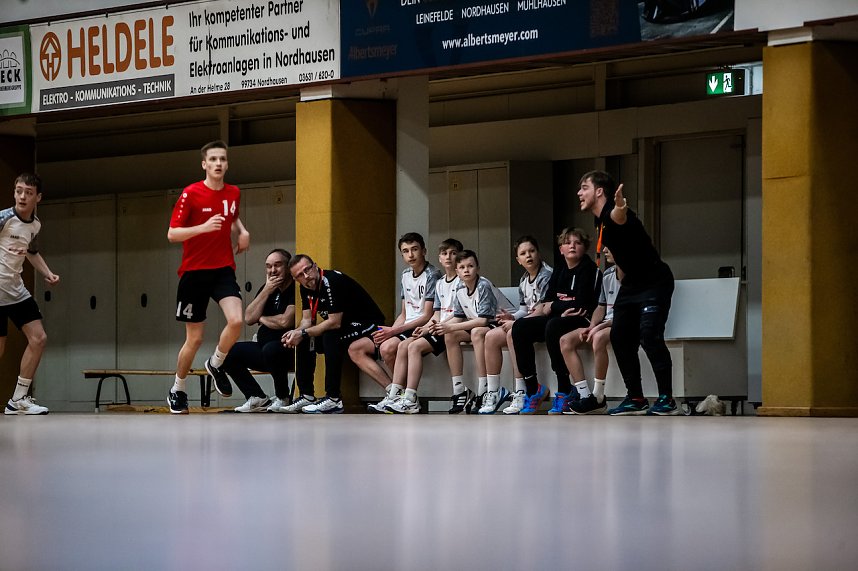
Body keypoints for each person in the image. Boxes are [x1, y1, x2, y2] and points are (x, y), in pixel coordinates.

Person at [577, 170, 678, 415]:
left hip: (655, 282)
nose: (579, 193)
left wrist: (621, 203)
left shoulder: (613, 211)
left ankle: (667, 400)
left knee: (649, 336)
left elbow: (619, 215)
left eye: (584, 188)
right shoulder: (598, 220)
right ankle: (636, 398)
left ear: (599, 191)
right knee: (621, 337)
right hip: (631, 285)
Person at [166, 140, 250, 414]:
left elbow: (231, 215)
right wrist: (202, 227)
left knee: (237, 320)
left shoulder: (233, 192)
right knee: (195, 339)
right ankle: (178, 388)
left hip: (222, 269)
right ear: (204, 164)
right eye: (213, 159)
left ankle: (216, 362)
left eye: (222, 159)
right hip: (194, 273)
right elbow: (172, 234)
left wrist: (242, 230)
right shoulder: (191, 194)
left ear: (227, 164)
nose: (218, 164)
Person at [510, 228, 601, 414]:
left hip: (581, 319)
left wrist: (555, 305)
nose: (573, 246)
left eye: (577, 243)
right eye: (568, 243)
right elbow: (547, 302)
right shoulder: (560, 268)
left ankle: (564, 388)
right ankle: (532, 388)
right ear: (561, 249)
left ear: (585, 247)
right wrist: (558, 306)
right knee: (519, 327)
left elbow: (581, 303)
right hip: (560, 317)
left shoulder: (589, 269)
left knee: (553, 325)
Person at [282, 254, 386, 414]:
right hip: (345, 327)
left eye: (307, 270)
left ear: (315, 266)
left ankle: (333, 398)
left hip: (369, 324)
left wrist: (302, 333)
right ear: (296, 279)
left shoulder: (331, 281)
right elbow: (307, 320)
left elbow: (334, 322)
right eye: (300, 276)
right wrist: (295, 333)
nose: (306, 276)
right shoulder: (304, 287)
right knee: (302, 339)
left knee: (330, 337)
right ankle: (306, 395)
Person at [470, 236, 552, 415]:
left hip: (546, 321)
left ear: (538, 253)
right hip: (529, 321)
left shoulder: (546, 275)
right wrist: (512, 316)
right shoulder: (523, 280)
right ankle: (493, 391)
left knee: (512, 333)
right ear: (518, 260)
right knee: (490, 337)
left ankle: (521, 390)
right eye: (523, 253)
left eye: (531, 251)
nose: (528, 256)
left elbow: (544, 308)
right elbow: (524, 309)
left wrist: (517, 322)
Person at [2, 173, 60, 416]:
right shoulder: (4, 219)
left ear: (38, 197)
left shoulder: (35, 224)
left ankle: (18, 399)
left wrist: (48, 273)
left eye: (28, 192)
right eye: (18, 191)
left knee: (38, 338)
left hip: (15, 291)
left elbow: (32, 252)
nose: (22, 196)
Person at [364, 232, 441, 413]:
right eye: (405, 251)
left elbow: (427, 315)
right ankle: (399, 397)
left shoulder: (433, 275)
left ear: (424, 251)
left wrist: (393, 331)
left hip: (424, 325)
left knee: (391, 347)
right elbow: (405, 312)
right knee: (384, 347)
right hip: (409, 324)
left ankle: (406, 397)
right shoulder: (405, 274)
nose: (411, 255)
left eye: (414, 249)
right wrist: (391, 330)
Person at [385, 238, 462, 414]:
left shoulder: (449, 279)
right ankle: (396, 395)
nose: (448, 257)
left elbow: (459, 315)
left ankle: (410, 397)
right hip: (437, 325)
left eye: (453, 253)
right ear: (440, 257)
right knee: (402, 345)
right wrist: (428, 327)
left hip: (455, 328)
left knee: (412, 346)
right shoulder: (441, 282)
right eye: (444, 254)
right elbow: (435, 313)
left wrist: (433, 326)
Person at [222, 249, 298, 413]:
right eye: (268, 266)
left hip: (288, 350)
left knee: (271, 349)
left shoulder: (295, 288)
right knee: (228, 352)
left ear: (288, 266)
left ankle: (283, 397)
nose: (272, 270)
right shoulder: (267, 288)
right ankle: (256, 397)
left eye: (277, 265)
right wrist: (266, 291)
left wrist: (261, 318)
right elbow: (249, 318)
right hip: (264, 349)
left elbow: (286, 321)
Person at [427, 249, 498, 414]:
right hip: (477, 325)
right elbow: (458, 317)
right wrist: (440, 326)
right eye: (462, 267)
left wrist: (449, 326)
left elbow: (483, 320)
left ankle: (483, 389)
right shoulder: (459, 288)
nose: (467, 270)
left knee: (476, 332)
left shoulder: (483, 285)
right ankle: (459, 389)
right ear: (457, 271)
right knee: (450, 335)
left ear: (478, 268)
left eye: (471, 266)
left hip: (497, 323)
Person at [559, 246, 621, 415]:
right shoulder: (607, 274)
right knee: (566, 341)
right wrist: (591, 326)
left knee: (599, 337)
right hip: (605, 323)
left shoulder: (633, 274)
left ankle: (598, 396)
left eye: (609, 246)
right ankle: (584, 394)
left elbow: (629, 312)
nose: (605, 250)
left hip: (624, 322)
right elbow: (601, 307)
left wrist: (600, 327)